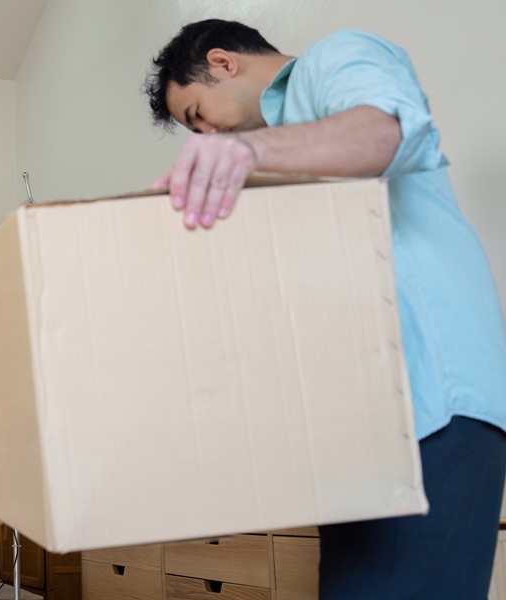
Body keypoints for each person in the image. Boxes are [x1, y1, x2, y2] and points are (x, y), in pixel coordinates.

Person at [145, 20, 506, 598]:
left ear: (223, 62)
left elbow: (385, 132)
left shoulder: (333, 59)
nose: (207, 135)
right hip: (366, 420)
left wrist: (245, 150)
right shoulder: (288, 154)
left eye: (198, 115)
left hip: (434, 399)